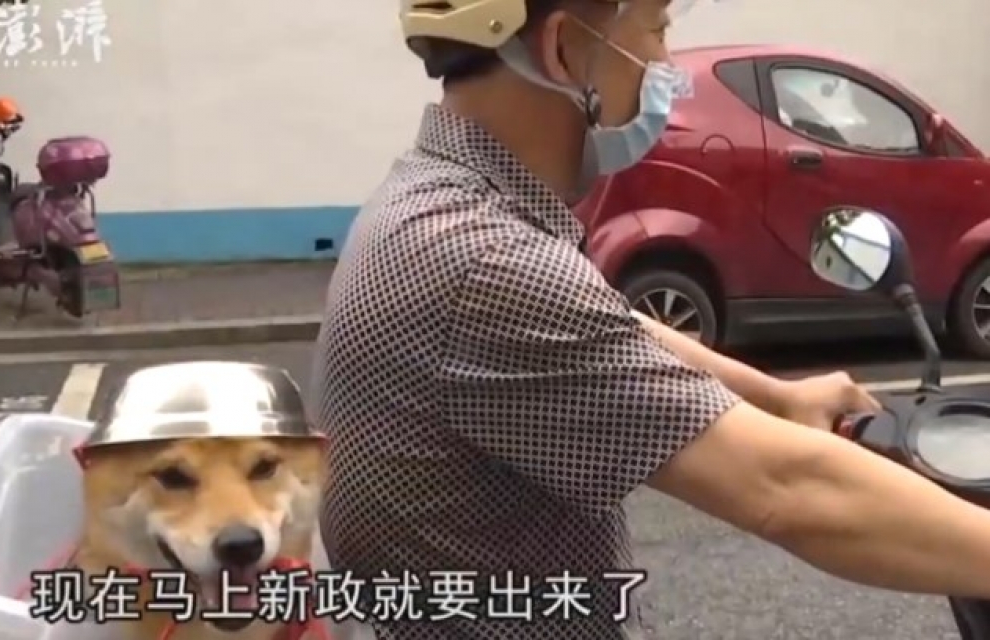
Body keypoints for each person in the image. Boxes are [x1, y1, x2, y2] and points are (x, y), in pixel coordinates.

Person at [308, 0, 990, 638]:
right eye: (657, 31)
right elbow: (787, 490)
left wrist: (778, 397)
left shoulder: (440, 200)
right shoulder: (483, 264)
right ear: (566, 50)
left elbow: (607, 323)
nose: (668, 72)